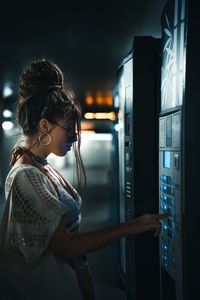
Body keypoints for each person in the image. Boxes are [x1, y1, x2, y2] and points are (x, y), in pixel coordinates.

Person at [0, 59, 169, 300]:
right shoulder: (27, 175)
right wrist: (131, 227)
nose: (76, 137)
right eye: (70, 129)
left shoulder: (38, 166)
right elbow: (67, 247)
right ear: (45, 126)